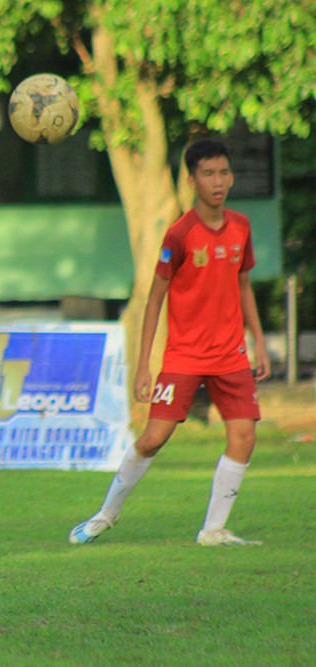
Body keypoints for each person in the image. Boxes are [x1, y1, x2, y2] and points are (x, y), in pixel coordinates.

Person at [69, 139, 271, 547]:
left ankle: (213, 530)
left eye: (224, 172)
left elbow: (243, 282)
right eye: (209, 173)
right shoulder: (179, 235)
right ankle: (106, 514)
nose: (218, 181)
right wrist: (144, 365)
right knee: (153, 437)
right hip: (184, 355)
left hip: (231, 353)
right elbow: (155, 297)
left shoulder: (241, 227)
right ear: (192, 179)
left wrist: (259, 341)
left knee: (244, 436)